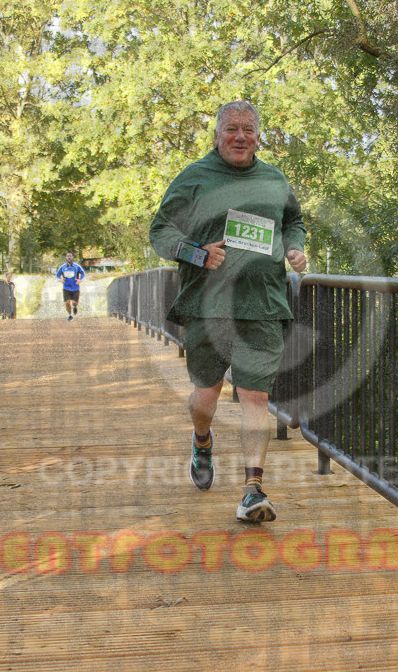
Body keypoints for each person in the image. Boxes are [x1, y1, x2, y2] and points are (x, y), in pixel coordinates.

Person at [149, 100, 307, 523]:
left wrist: (295, 246)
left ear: (258, 135)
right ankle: (202, 440)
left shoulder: (274, 179)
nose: (240, 137)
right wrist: (195, 253)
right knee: (206, 396)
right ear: (217, 135)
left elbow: (293, 219)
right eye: (232, 129)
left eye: (248, 130)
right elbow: (161, 230)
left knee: (256, 395)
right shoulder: (195, 178)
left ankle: (253, 490)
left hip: (263, 304)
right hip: (208, 306)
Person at [56, 251, 85, 321]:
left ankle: (75, 307)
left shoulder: (77, 266)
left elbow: (83, 273)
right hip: (66, 287)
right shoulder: (62, 267)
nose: (69, 257)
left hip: (75, 288)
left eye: (70, 256)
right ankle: (70, 315)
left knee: (75, 302)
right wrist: (60, 280)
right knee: (67, 302)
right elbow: (57, 275)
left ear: (72, 257)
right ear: (66, 257)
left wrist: (80, 280)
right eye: (68, 256)